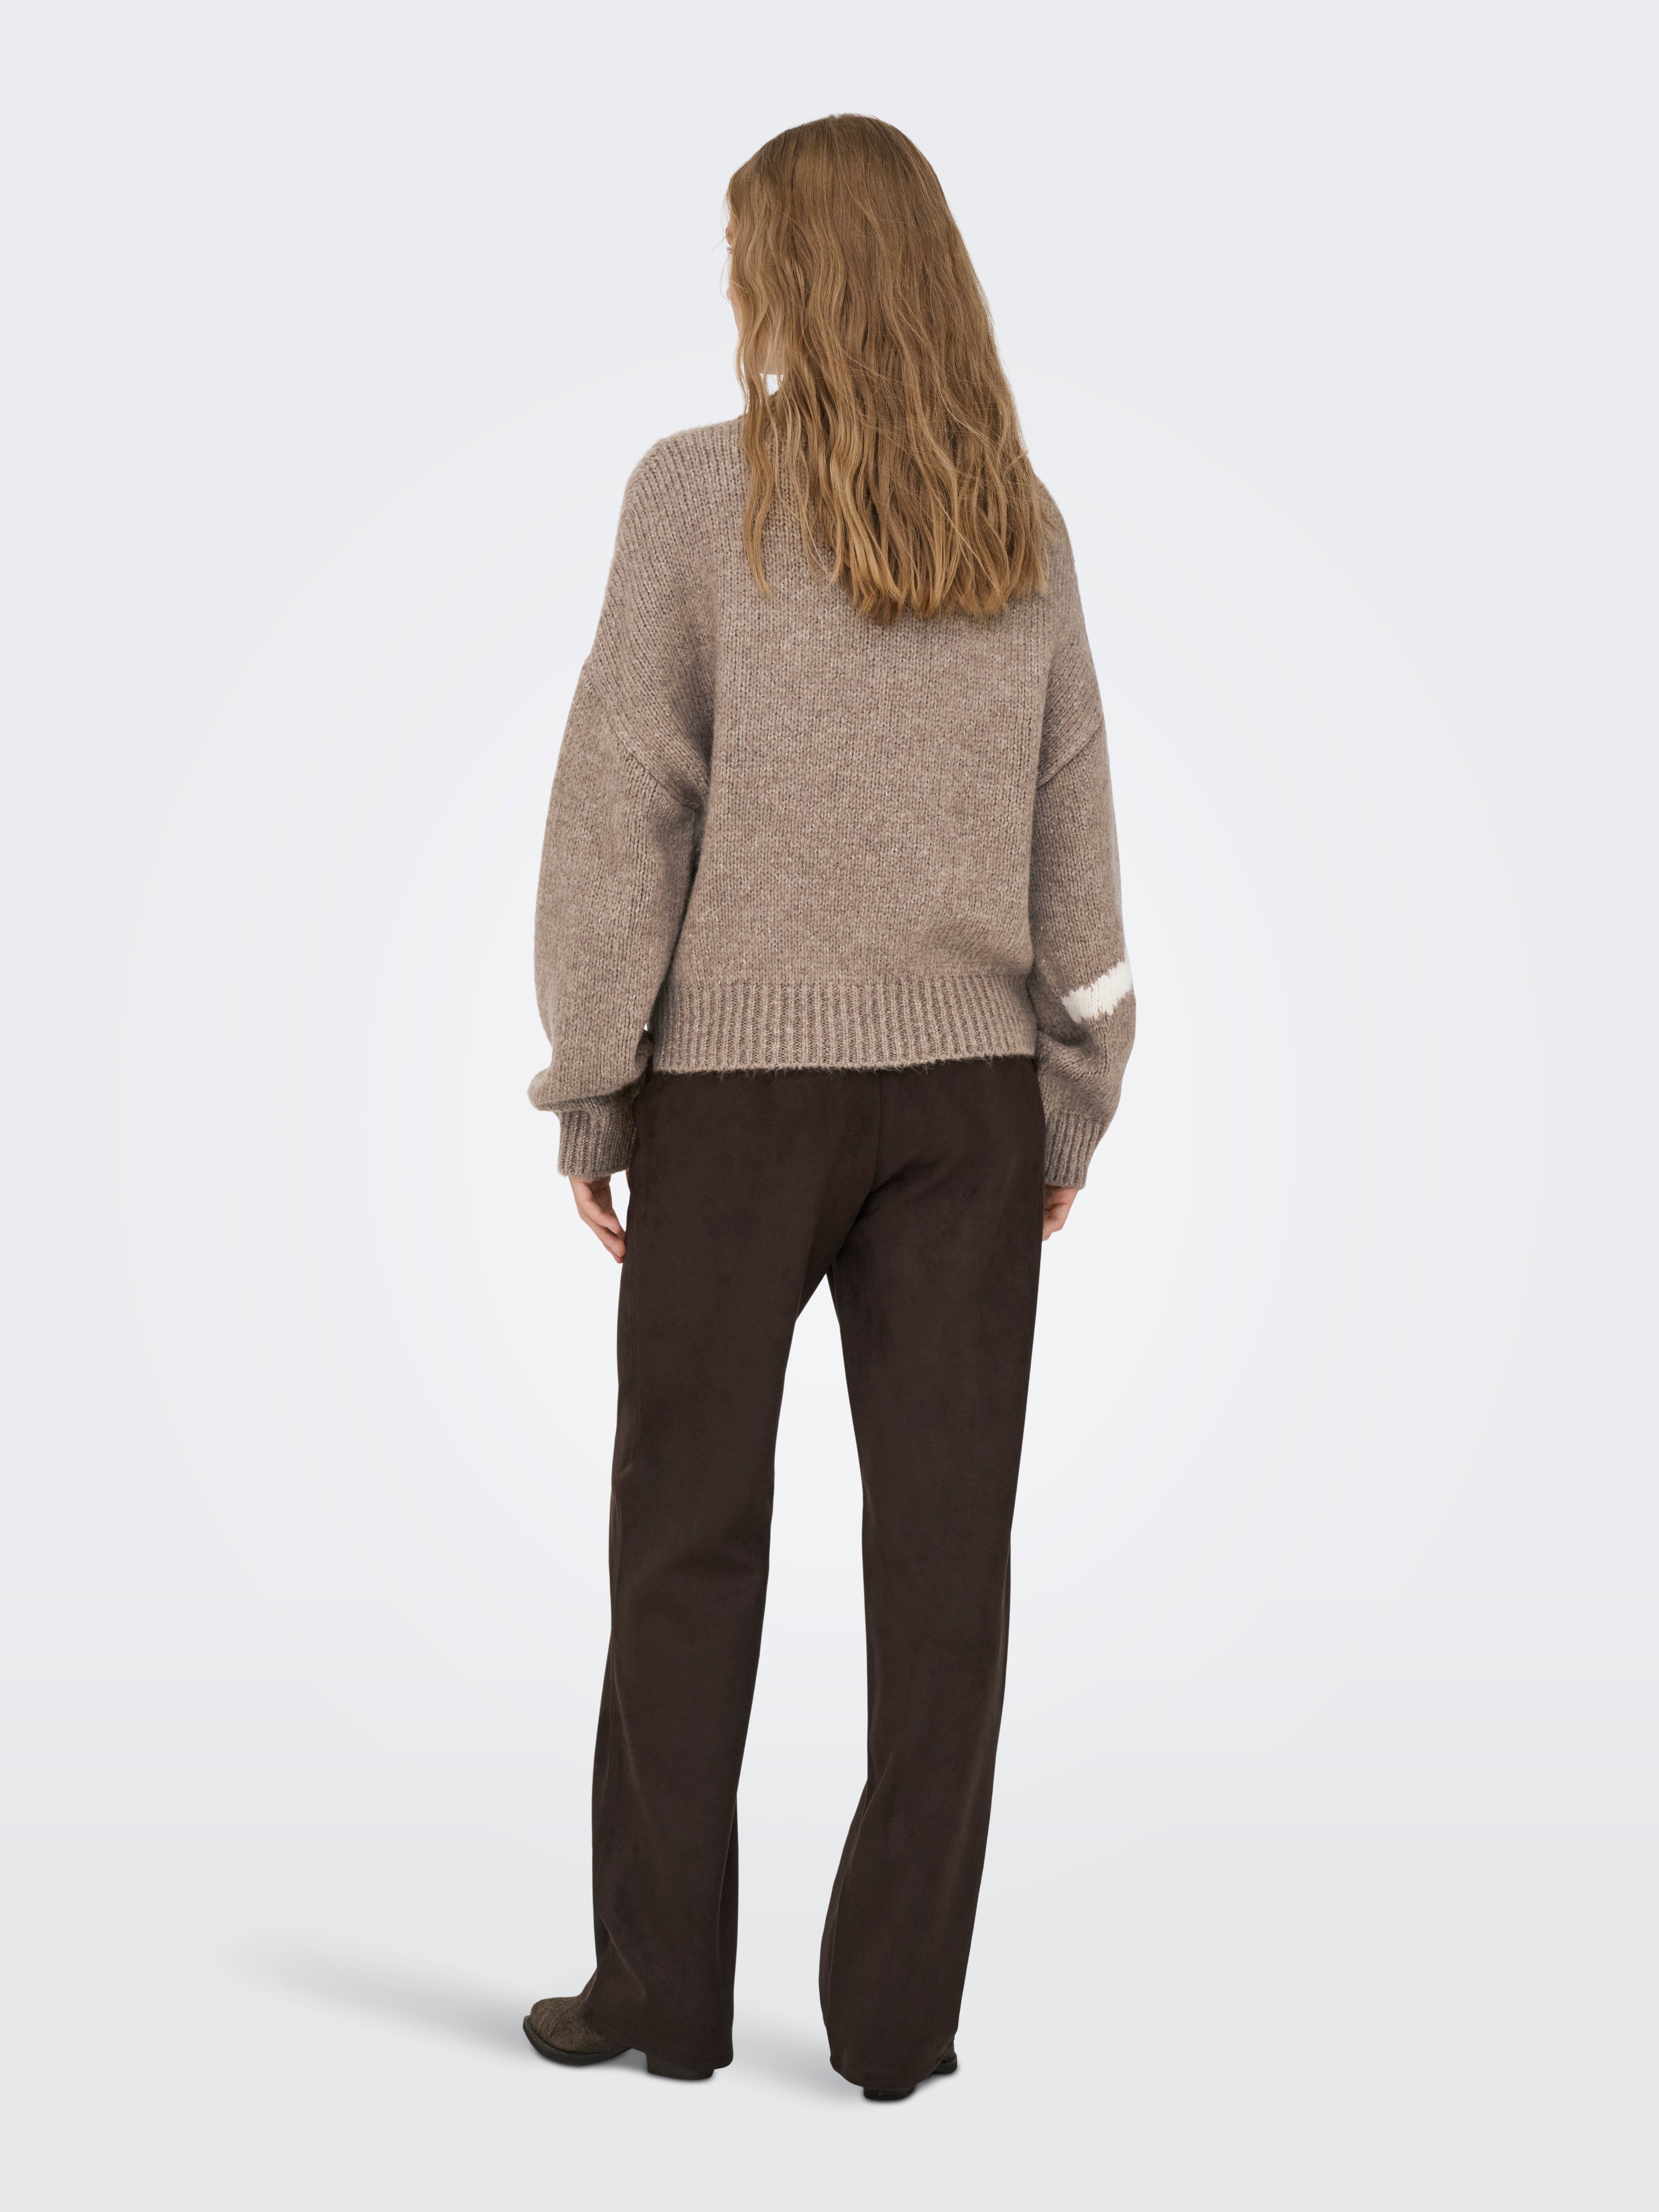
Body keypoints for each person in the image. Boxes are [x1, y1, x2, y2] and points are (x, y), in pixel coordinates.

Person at [521, 113, 1135, 2102]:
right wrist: (1066, 1102)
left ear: (794, 269)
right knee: (947, 1565)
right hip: (965, 1111)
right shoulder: (1015, 516)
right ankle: (892, 2028)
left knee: (684, 1542)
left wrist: (596, 1079)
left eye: (746, 253)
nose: (733, 290)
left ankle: (661, 1997)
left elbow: (626, 799)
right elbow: (1075, 835)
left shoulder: (697, 496)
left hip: (739, 1104)